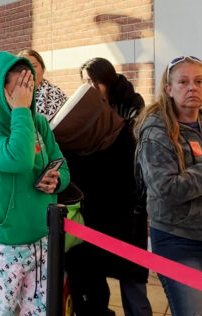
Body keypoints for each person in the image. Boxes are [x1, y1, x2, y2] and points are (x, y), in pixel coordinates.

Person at [0, 52, 69, 315]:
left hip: (41, 239)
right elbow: (18, 159)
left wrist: (56, 181)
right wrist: (21, 110)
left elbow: (62, 166)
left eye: (29, 87)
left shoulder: (39, 124)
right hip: (2, 244)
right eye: (18, 88)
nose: (26, 94)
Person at [135, 56, 202, 316]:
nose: (192, 87)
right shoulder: (157, 130)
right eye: (183, 82)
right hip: (179, 241)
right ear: (168, 89)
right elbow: (168, 189)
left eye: (198, 81)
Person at [61, 58, 151, 316]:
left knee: (132, 277)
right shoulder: (84, 112)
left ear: (107, 81)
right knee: (92, 271)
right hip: (95, 205)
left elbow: (136, 157)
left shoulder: (133, 109)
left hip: (125, 207)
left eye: (93, 82)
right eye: (84, 82)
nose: (88, 87)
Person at [19, 49, 67, 119]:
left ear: (43, 68)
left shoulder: (56, 94)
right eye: (25, 67)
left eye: (34, 66)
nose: (30, 70)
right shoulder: (12, 94)